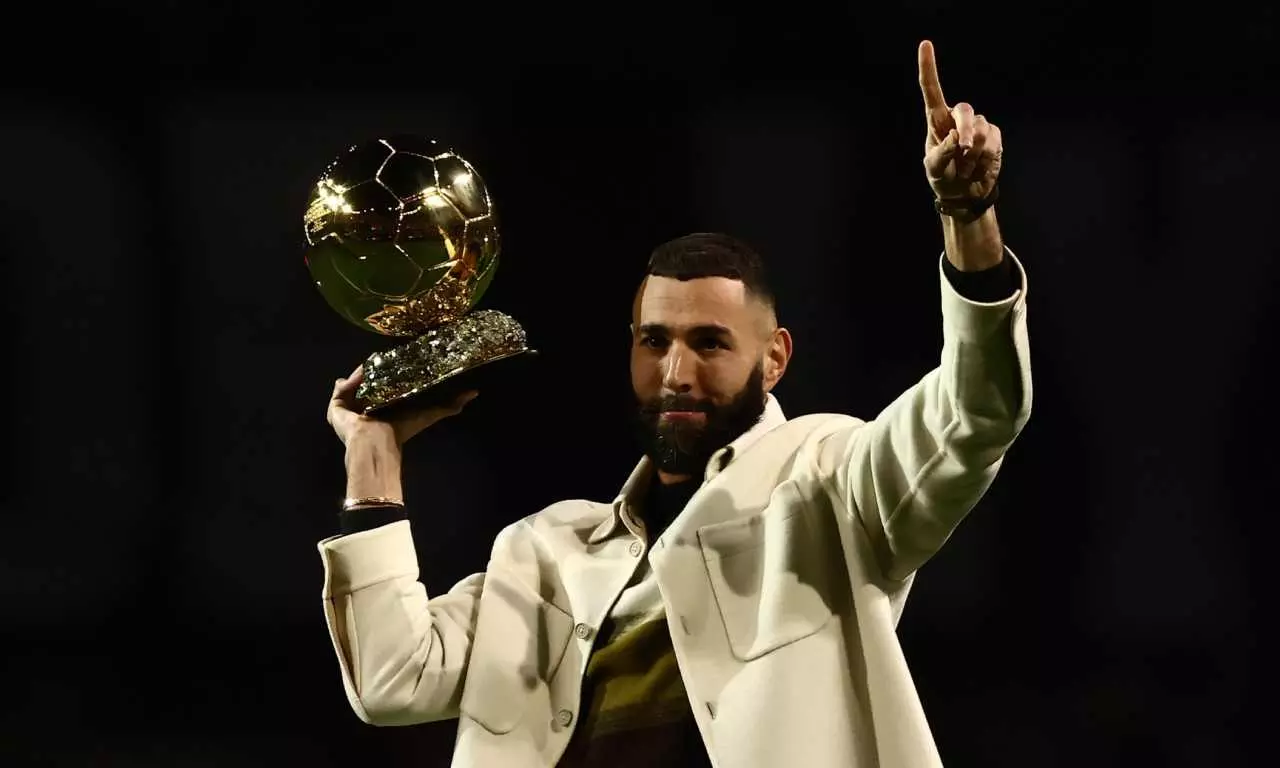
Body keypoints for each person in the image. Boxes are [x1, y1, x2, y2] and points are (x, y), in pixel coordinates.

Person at [317, 40, 1031, 768]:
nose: (675, 371)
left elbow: (975, 413)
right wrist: (372, 451)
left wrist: (967, 216)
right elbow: (389, 680)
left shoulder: (829, 486)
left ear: (775, 357)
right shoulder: (541, 555)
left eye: (711, 342)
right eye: (654, 341)